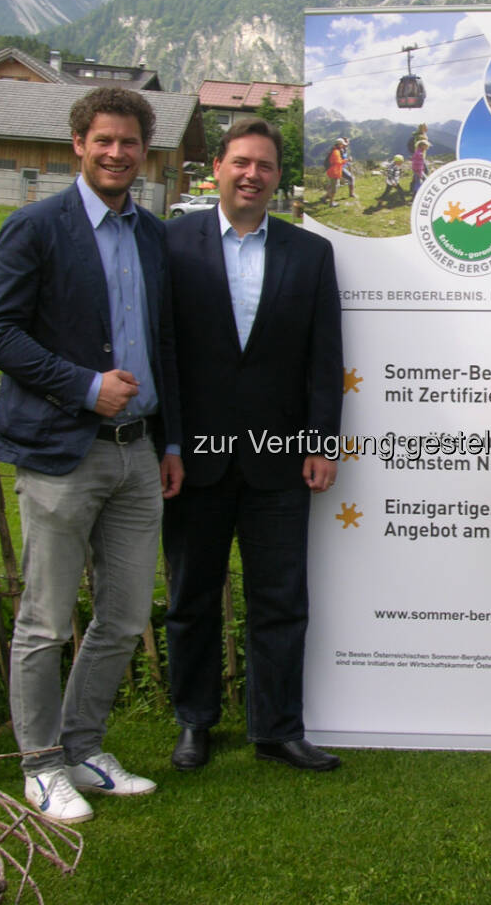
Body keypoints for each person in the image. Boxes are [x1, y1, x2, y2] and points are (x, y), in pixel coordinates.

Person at [0, 86, 184, 825]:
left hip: (137, 456)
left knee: (124, 619)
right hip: (61, 452)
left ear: (144, 152)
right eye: (104, 140)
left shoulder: (153, 238)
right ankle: (38, 765)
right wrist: (84, 385)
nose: (118, 153)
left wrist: (173, 441)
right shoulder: (34, 229)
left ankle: (84, 748)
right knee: (44, 621)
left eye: (130, 143)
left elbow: (166, 349)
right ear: (78, 143)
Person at [163, 117, 344, 774]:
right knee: (191, 598)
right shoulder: (171, 244)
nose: (252, 174)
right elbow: (163, 356)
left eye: (265, 165)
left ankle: (277, 728)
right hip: (194, 462)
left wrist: (323, 443)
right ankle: (195, 723)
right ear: (216, 167)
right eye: (241, 161)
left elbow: (325, 360)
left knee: (280, 602)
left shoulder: (309, 253)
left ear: (276, 176)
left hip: (280, 461)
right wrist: (169, 444)